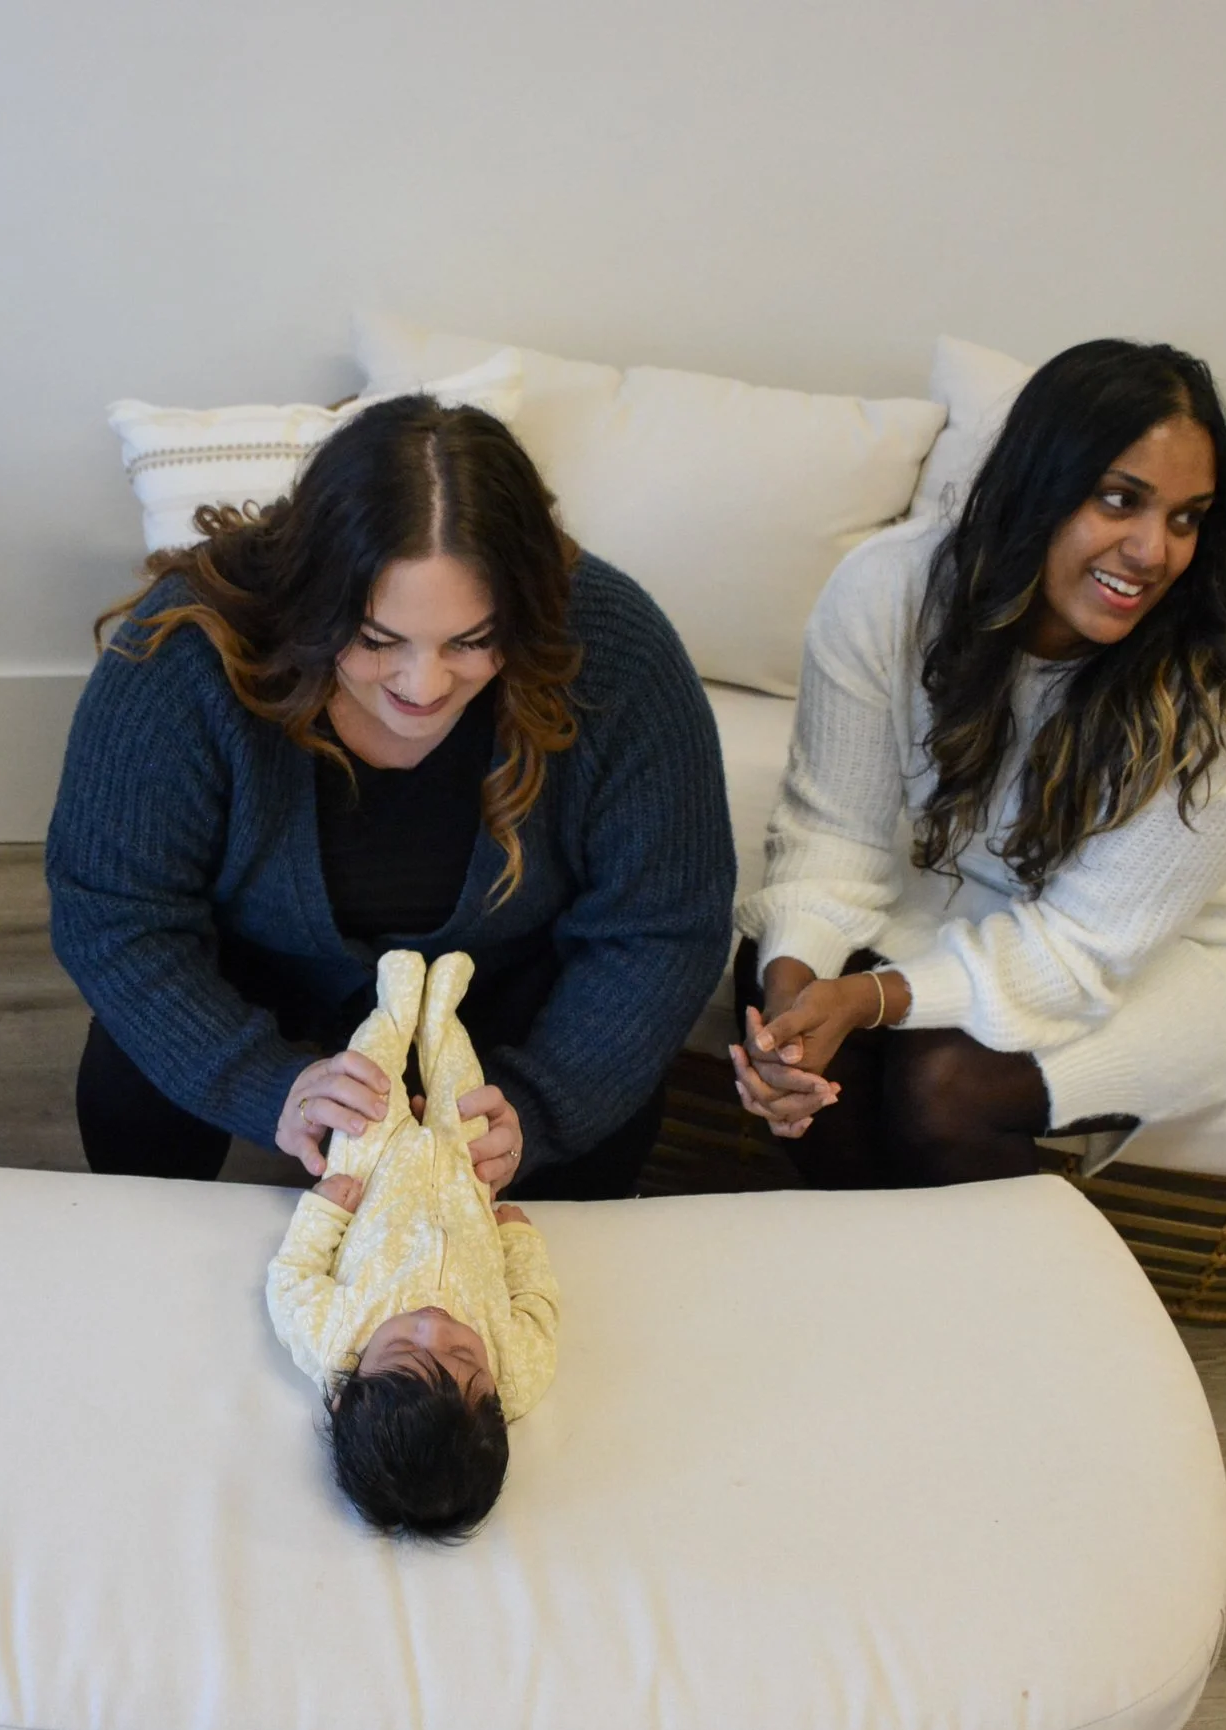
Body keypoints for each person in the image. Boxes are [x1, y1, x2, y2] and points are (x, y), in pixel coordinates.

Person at [46, 395, 734, 1199]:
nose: (424, 685)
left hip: (507, 998)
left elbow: (663, 924)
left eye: (473, 642)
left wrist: (545, 1105)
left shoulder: (615, 646)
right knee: (133, 1076)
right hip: (257, 984)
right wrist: (267, 1086)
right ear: (310, 598)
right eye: (377, 640)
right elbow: (116, 914)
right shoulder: (185, 650)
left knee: (608, 1129)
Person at [732, 339, 1226, 1188]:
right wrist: (787, 1024)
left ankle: (1012, 1302)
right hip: (981, 884)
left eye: (1186, 517)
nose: (1154, 551)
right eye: (1120, 500)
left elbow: (1084, 947)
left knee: (943, 1084)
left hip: (1193, 939)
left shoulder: (1221, 693)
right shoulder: (890, 592)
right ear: (1037, 485)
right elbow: (832, 834)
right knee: (776, 960)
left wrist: (867, 1001)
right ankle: (866, 1261)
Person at [266, 950, 559, 1539]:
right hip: (465, 1178)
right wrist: (519, 1240)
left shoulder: (329, 1341)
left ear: (346, 1393)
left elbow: (293, 1274)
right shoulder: (519, 1371)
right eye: (463, 1355)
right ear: (498, 1405)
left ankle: (394, 1011)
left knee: (363, 1094)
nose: (434, 1324)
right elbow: (537, 1307)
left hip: (374, 1173)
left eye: (403, 1346)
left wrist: (324, 1208)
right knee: (467, 1100)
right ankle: (444, 1019)